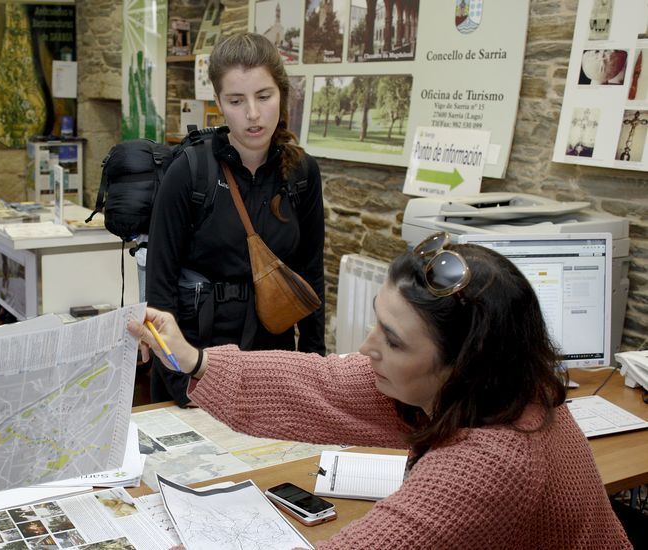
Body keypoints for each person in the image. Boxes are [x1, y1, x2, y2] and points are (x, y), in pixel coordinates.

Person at [130, 233, 631, 548]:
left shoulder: (491, 464)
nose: (367, 347)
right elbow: (324, 385)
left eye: (392, 341)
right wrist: (193, 359)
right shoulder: (500, 383)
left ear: (461, 365)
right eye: (377, 321)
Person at [146, 32, 326, 407]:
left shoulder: (302, 174)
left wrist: (316, 373)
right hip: (195, 363)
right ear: (218, 103)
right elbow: (160, 291)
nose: (253, 114)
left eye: (264, 96)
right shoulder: (189, 173)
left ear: (282, 94)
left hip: (271, 365)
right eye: (236, 100)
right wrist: (181, 383)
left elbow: (311, 275)